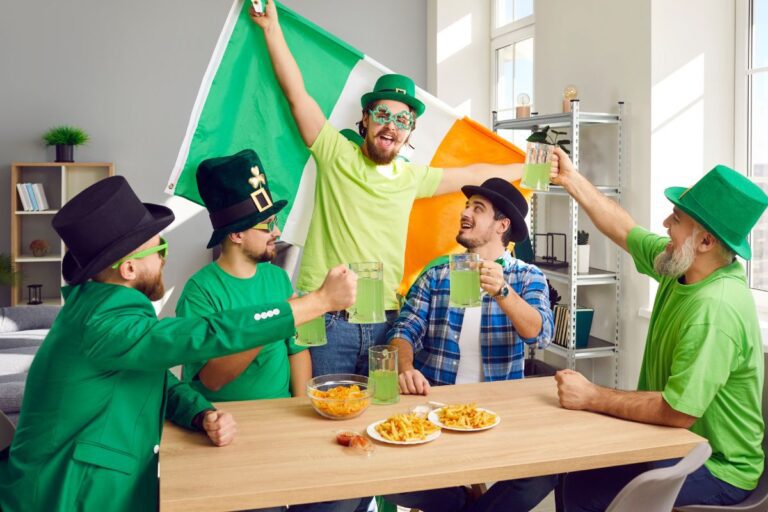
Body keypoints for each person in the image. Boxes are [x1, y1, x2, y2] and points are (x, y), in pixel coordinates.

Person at [0, 176, 356, 511]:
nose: (165, 257)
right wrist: (319, 302)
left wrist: (200, 413)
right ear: (128, 270)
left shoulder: (100, 308)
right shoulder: (104, 324)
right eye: (160, 248)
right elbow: (204, 333)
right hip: (70, 495)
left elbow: (156, 378)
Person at [250, 1, 524, 378]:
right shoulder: (335, 153)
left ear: (409, 132)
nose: (390, 125)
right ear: (365, 119)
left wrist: (531, 167)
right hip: (325, 317)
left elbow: (473, 172)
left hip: (386, 323)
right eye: (382, 115)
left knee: (382, 420)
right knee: (321, 416)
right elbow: (297, 94)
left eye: (401, 119)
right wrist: (271, 29)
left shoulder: (412, 178)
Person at [551, 149, 768, 509]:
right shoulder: (681, 266)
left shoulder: (714, 310)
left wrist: (592, 396)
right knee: (578, 477)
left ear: (704, 242)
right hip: (670, 441)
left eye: (676, 218)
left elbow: (677, 411)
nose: (666, 224)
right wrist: (572, 179)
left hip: (716, 467)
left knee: (593, 494)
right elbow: (624, 230)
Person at [177, 150, 360, 512]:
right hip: (229, 427)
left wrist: (299, 413)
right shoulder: (200, 291)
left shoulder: (277, 278)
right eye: (267, 225)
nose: (277, 232)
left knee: (349, 490)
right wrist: (270, 320)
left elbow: (297, 352)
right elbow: (211, 379)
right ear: (236, 235)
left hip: (283, 421)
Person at [384, 178, 555, 512]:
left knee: (545, 472)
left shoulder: (526, 276)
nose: (465, 212)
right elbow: (403, 330)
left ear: (502, 225)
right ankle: (463, 502)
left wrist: (503, 292)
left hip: (499, 412)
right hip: (435, 409)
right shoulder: (438, 274)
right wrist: (405, 369)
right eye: (467, 206)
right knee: (390, 484)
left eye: (478, 208)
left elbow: (541, 334)